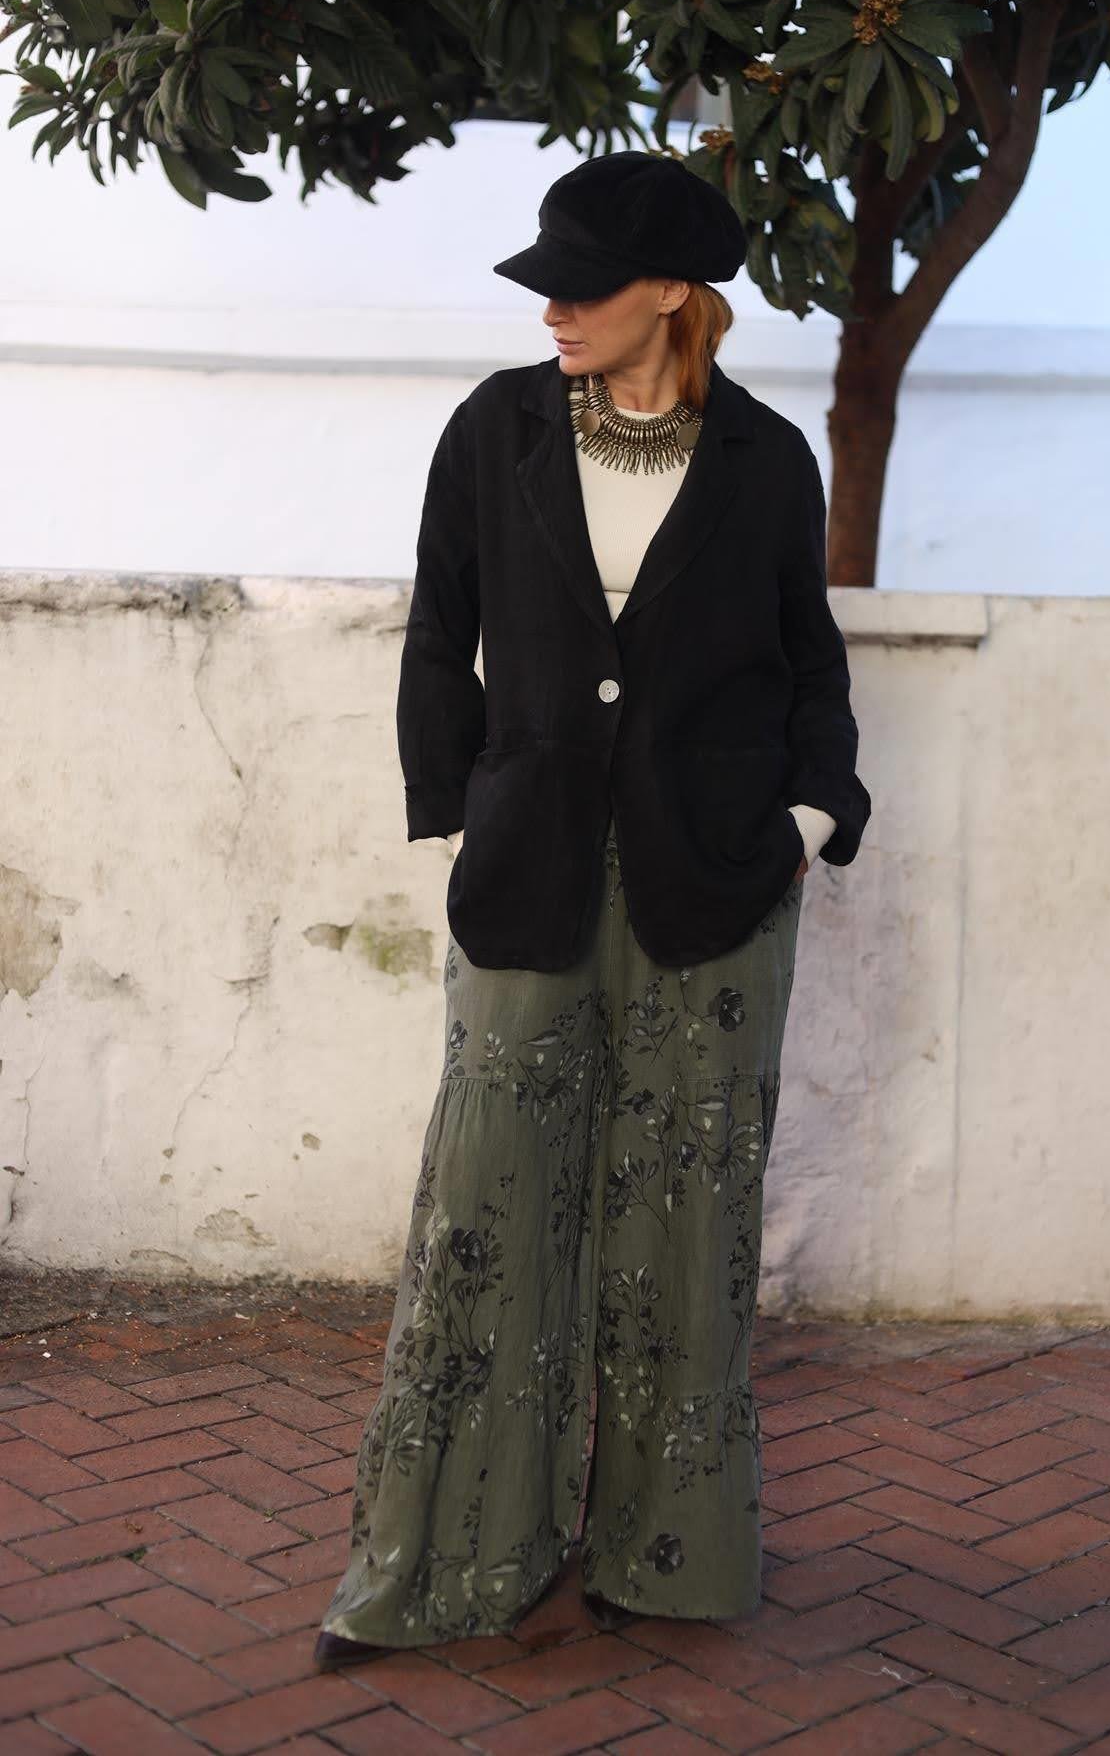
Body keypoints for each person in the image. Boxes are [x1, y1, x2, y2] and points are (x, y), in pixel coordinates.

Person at [314, 149, 871, 1669]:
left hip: (720, 882)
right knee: (487, 1205)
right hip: (531, 870)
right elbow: (439, 631)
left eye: (585, 285)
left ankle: (667, 1558)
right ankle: (447, 1559)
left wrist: (813, 817)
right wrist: (461, 810)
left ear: (673, 292)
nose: (552, 308)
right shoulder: (494, 428)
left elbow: (807, 659)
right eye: (547, 284)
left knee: (686, 1213)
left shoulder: (764, 458)